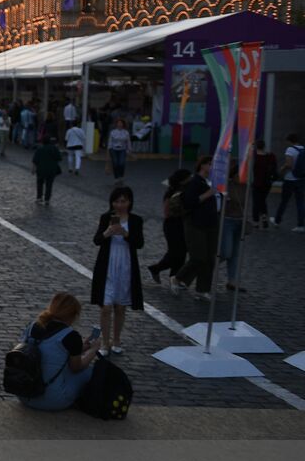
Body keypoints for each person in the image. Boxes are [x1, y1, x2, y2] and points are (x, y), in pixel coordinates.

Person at [18, 292, 102, 412]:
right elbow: (76, 368)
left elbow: (51, 351)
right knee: (90, 371)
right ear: (72, 315)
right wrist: (93, 350)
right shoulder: (71, 336)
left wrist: (82, 347)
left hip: (24, 395)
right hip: (52, 401)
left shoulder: (32, 326)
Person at [91, 186, 144, 355]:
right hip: (107, 264)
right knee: (105, 306)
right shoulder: (106, 218)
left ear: (129, 202)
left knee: (120, 307)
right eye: (117, 201)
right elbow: (97, 240)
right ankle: (105, 342)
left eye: (124, 201)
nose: (120, 205)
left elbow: (139, 243)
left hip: (126, 265)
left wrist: (125, 234)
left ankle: (117, 339)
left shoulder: (135, 220)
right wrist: (108, 232)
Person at [171, 156, 218, 301]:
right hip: (195, 223)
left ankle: (203, 290)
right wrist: (209, 194)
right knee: (198, 256)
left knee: (210, 258)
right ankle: (178, 278)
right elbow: (190, 202)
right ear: (202, 166)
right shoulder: (195, 182)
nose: (212, 167)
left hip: (211, 223)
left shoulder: (210, 182)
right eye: (210, 164)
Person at [147, 169, 193, 285]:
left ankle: (175, 277)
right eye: (189, 177)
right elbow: (167, 212)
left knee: (181, 253)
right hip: (173, 224)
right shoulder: (172, 192)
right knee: (175, 252)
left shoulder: (185, 190)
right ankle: (157, 268)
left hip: (182, 224)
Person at [274, 132, 304, 231]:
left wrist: (281, 169)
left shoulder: (290, 149)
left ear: (289, 141)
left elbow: (289, 165)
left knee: (284, 201)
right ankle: (301, 225)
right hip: (300, 179)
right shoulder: (303, 149)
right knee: (300, 202)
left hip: (290, 179)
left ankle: (277, 220)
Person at [250, 140, 277, 229]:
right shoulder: (270, 156)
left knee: (256, 202)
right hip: (267, 183)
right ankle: (264, 218)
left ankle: (256, 222)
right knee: (262, 200)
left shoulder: (254, 156)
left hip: (257, 182)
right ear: (264, 146)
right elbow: (274, 168)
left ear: (257, 146)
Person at [32, 134, 62, 204]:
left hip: (41, 170)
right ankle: (47, 199)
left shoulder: (39, 149)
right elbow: (59, 158)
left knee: (40, 183)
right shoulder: (54, 149)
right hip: (51, 170)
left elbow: (35, 160)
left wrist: (33, 169)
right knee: (49, 185)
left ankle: (39, 198)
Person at [106, 118, 131, 184]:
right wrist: (108, 150)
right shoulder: (113, 132)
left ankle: (121, 176)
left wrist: (129, 150)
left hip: (122, 149)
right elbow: (110, 141)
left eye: (121, 123)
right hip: (113, 149)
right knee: (115, 163)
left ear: (123, 124)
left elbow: (128, 141)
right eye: (118, 123)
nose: (120, 124)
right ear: (116, 124)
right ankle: (116, 177)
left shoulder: (126, 132)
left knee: (121, 163)